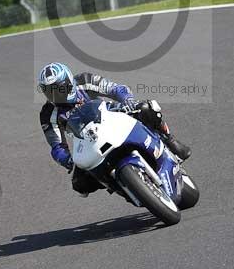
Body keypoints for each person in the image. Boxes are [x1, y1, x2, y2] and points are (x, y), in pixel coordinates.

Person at [37, 62, 191, 196]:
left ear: (69, 82)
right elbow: (57, 147)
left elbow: (115, 89)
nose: (55, 95)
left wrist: (127, 100)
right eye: (49, 91)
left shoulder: (84, 80)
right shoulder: (48, 114)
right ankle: (121, 187)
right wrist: (68, 160)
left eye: (58, 89)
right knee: (80, 184)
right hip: (87, 141)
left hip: (111, 116)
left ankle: (169, 139)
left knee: (146, 108)